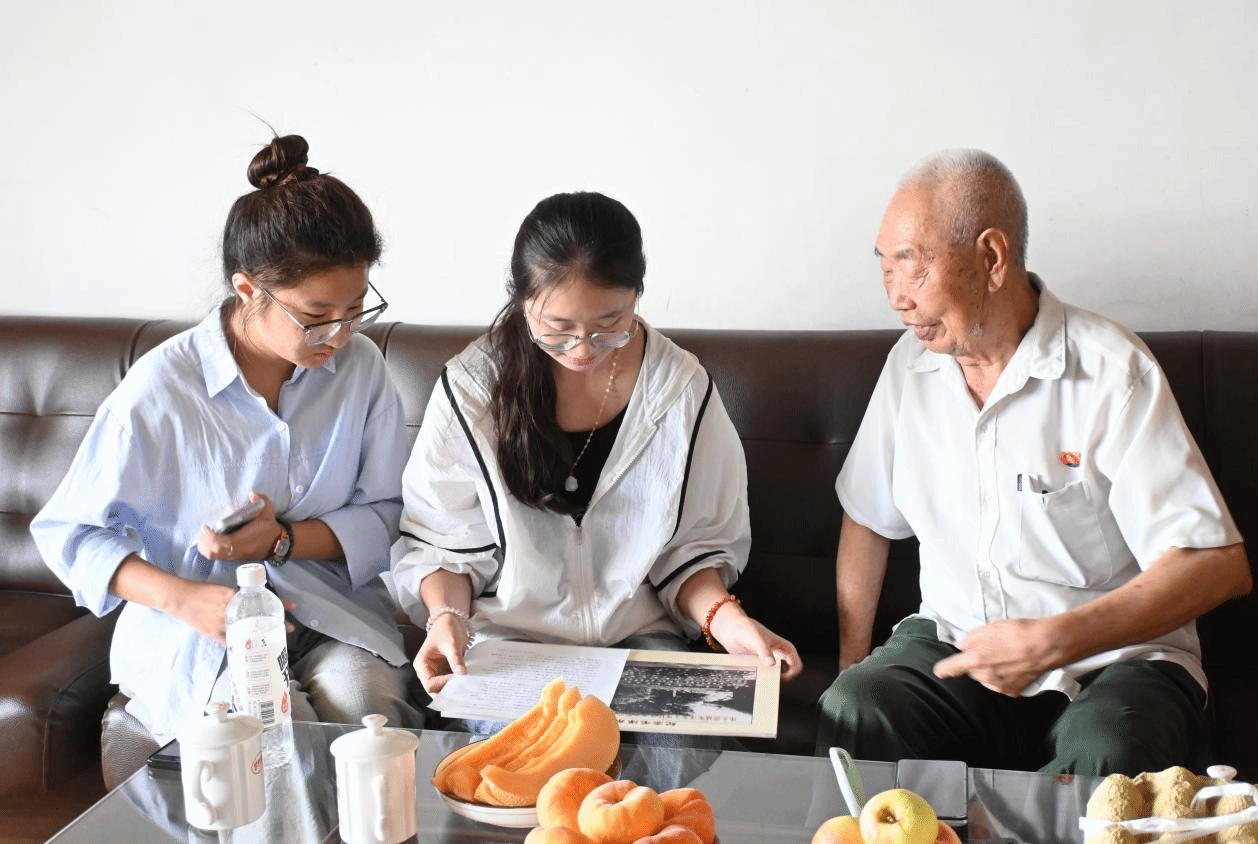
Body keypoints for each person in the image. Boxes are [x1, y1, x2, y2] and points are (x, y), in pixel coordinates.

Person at [815, 149, 1251, 775]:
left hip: (1116, 665)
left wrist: (1054, 640)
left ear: (992, 258)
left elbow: (1217, 565)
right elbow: (867, 517)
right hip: (958, 647)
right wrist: (852, 661)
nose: (897, 299)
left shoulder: (1112, 370)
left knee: (1106, 745)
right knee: (856, 707)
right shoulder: (908, 369)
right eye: (885, 269)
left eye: (912, 268)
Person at [31, 133, 422, 743]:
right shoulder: (162, 388)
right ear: (247, 291)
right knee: (274, 734)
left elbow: (387, 512)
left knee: (368, 721)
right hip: (200, 632)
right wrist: (186, 600)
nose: (340, 335)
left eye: (355, 310)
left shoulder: (361, 369)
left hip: (333, 614)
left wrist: (283, 540)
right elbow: (69, 534)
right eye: (316, 317)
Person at [391, 191, 803, 706]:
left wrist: (730, 621)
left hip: (642, 641)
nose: (583, 349)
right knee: (524, 751)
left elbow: (692, 550)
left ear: (637, 296)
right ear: (522, 301)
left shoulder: (679, 388)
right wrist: (447, 618)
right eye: (558, 329)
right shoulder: (472, 390)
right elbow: (444, 545)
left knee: (682, 751)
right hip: (512, 645)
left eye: (610, 325)